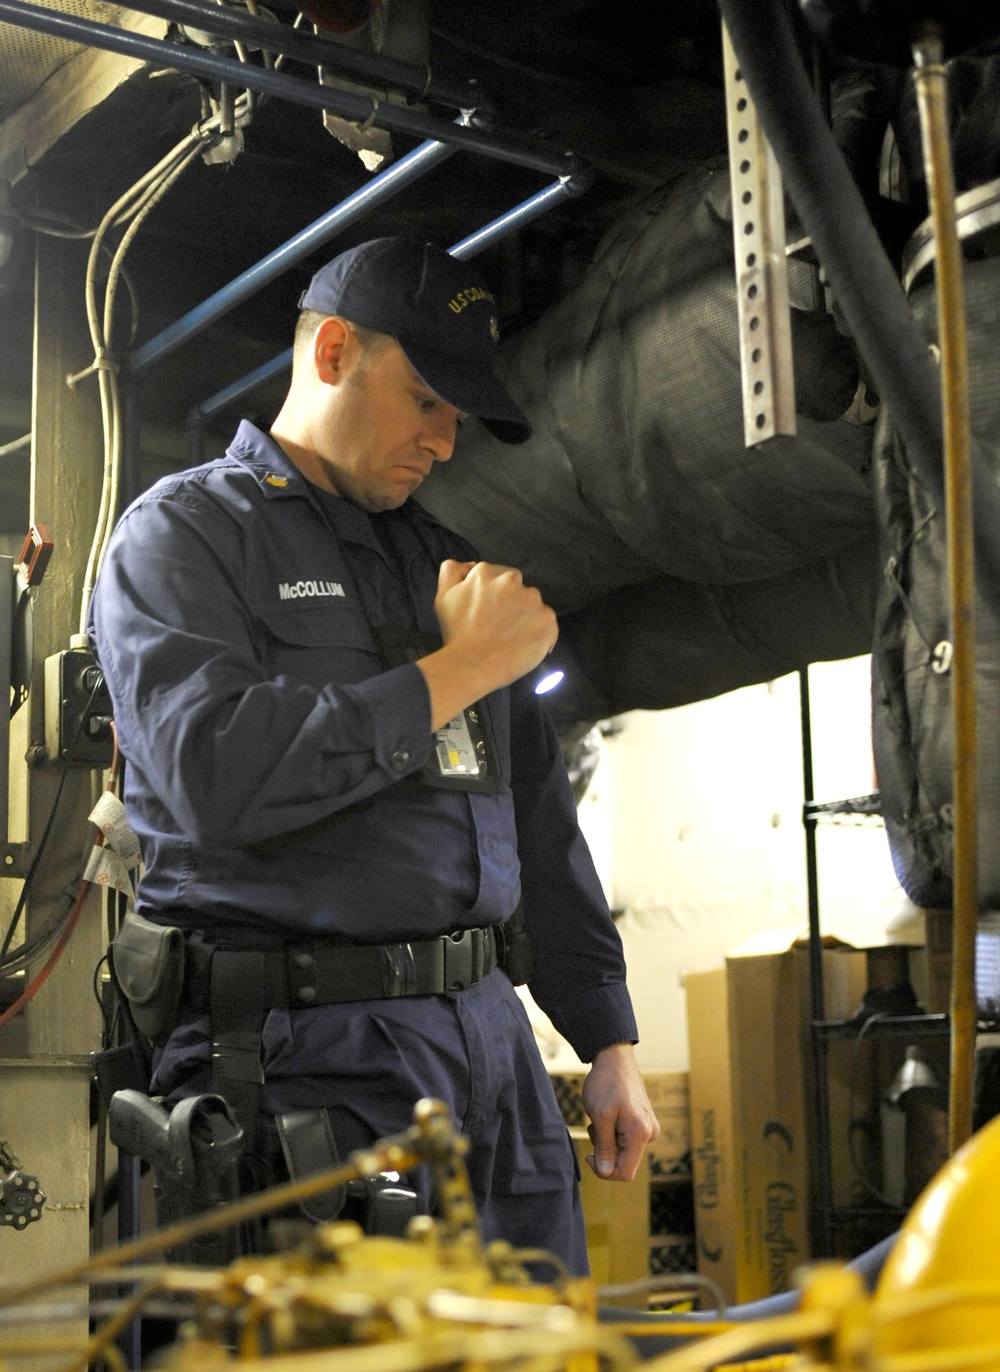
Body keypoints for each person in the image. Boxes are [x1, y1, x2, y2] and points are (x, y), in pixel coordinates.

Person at [88, 235, 658, 1272]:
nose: (445, 442)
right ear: (336, 350)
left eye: (458, 418)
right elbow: (214, 773)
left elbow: (532, 822)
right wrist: (459, 667)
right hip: (314, 1057)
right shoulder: (185, 539)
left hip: (493, 1054)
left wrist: (606, 1038)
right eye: (428, 400)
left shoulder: (436, 563)